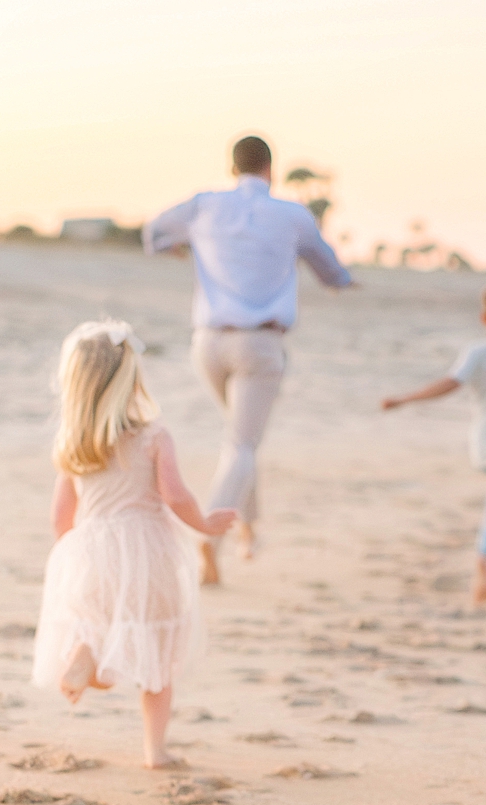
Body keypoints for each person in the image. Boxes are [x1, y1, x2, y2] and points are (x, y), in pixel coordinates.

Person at [144, 135, 354, 579]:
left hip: (208, 343)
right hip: (260, 344)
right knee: (241, 443)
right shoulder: (293, 215)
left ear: (233, 167)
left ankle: (248, 531)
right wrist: (343, 282)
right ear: (270, 169)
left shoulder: (205, 206)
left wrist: (178, 249)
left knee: (240, 439)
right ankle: (210, 538)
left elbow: (154, 234)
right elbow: (330, 271)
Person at [30, 321, 237, 769]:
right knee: (156, 655)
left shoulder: (73, 444)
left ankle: (88, 656)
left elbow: (60, 517)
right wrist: (203, 523)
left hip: (92, 551)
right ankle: (155, 750)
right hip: (147, 552)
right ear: (132, 377)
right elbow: (176, 495)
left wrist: (76, 554)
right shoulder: (152, 437)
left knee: (103, 626)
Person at [381, 280, 486, 606]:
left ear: (484, 317)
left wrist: (404, 399)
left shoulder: (478, 352)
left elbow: (450, 383)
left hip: (485, 445)